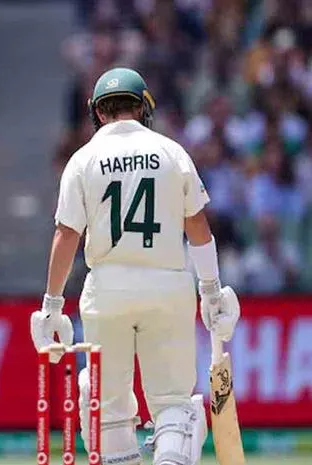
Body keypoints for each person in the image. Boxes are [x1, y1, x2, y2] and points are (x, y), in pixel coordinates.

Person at [30, 68, 241, 465]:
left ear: (96, 112)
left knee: (106, 412)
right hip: (168, 287)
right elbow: (197, 226)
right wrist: (211, 290)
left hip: (107, 291)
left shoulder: (83, 158)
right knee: (174, 405)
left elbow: (66, 234)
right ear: (144, 107)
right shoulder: (170, 151)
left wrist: (52, 304)